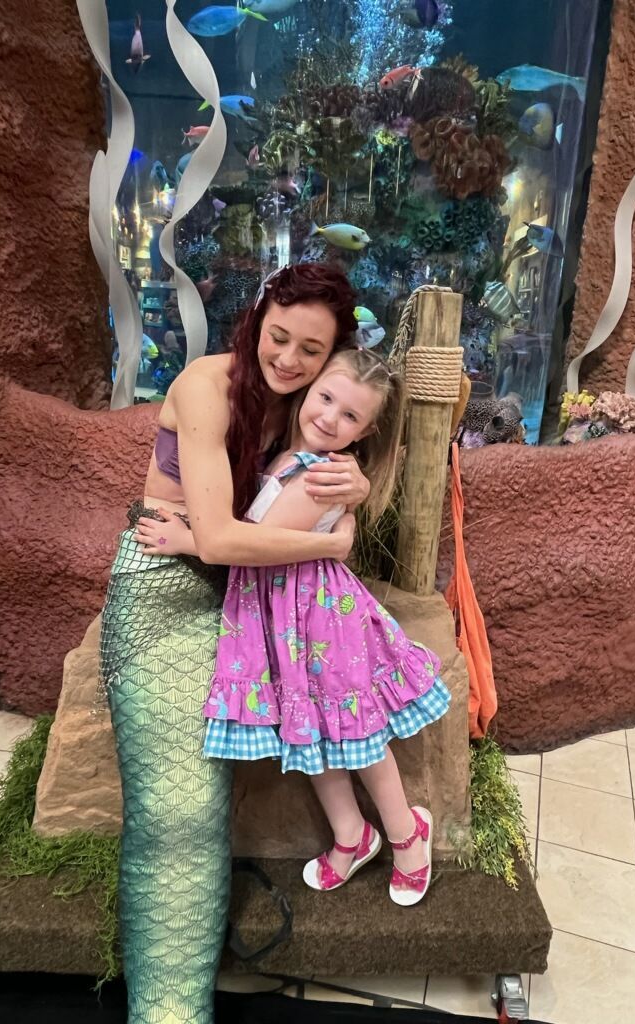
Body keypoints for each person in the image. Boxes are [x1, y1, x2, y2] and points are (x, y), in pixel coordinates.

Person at [100, 264, 370, 1024]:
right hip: (168, 591)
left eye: (309, 351)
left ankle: (377, 835)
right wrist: (334, 545)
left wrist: (358, 499)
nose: (286, 360)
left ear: (331, 357)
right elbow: (216, 539)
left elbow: (331, 488)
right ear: (256, 319)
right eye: (277, 337)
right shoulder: (206, 384)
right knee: (179, 811)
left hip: (262, 600)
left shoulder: (308, 411)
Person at [134, 348, 451, 907]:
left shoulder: (319, 478)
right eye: (326, 398)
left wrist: (189, 539)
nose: (329, 418)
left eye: (349, 416)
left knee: (356, 734)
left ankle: (407, 832)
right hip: (284, 622)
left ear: (367, 430)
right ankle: (352, 836)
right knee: (310, 731)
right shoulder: (287, 456)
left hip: (321, 623)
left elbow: (253, 547)